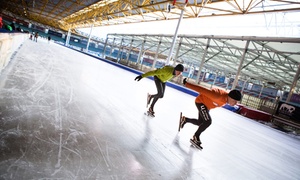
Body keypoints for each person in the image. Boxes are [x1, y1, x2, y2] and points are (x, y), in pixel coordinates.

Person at [179, 78, 242, 149]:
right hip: (200, 102)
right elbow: (202, 90)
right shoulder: (218, 95)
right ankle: (196, 136)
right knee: (208, 121)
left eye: (237, 102)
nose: (235, 103)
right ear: (230, 97)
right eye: (234, 101)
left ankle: (185, 119)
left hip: (206, 106)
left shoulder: (225, 100)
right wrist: (187, 84)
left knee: (200, 122)